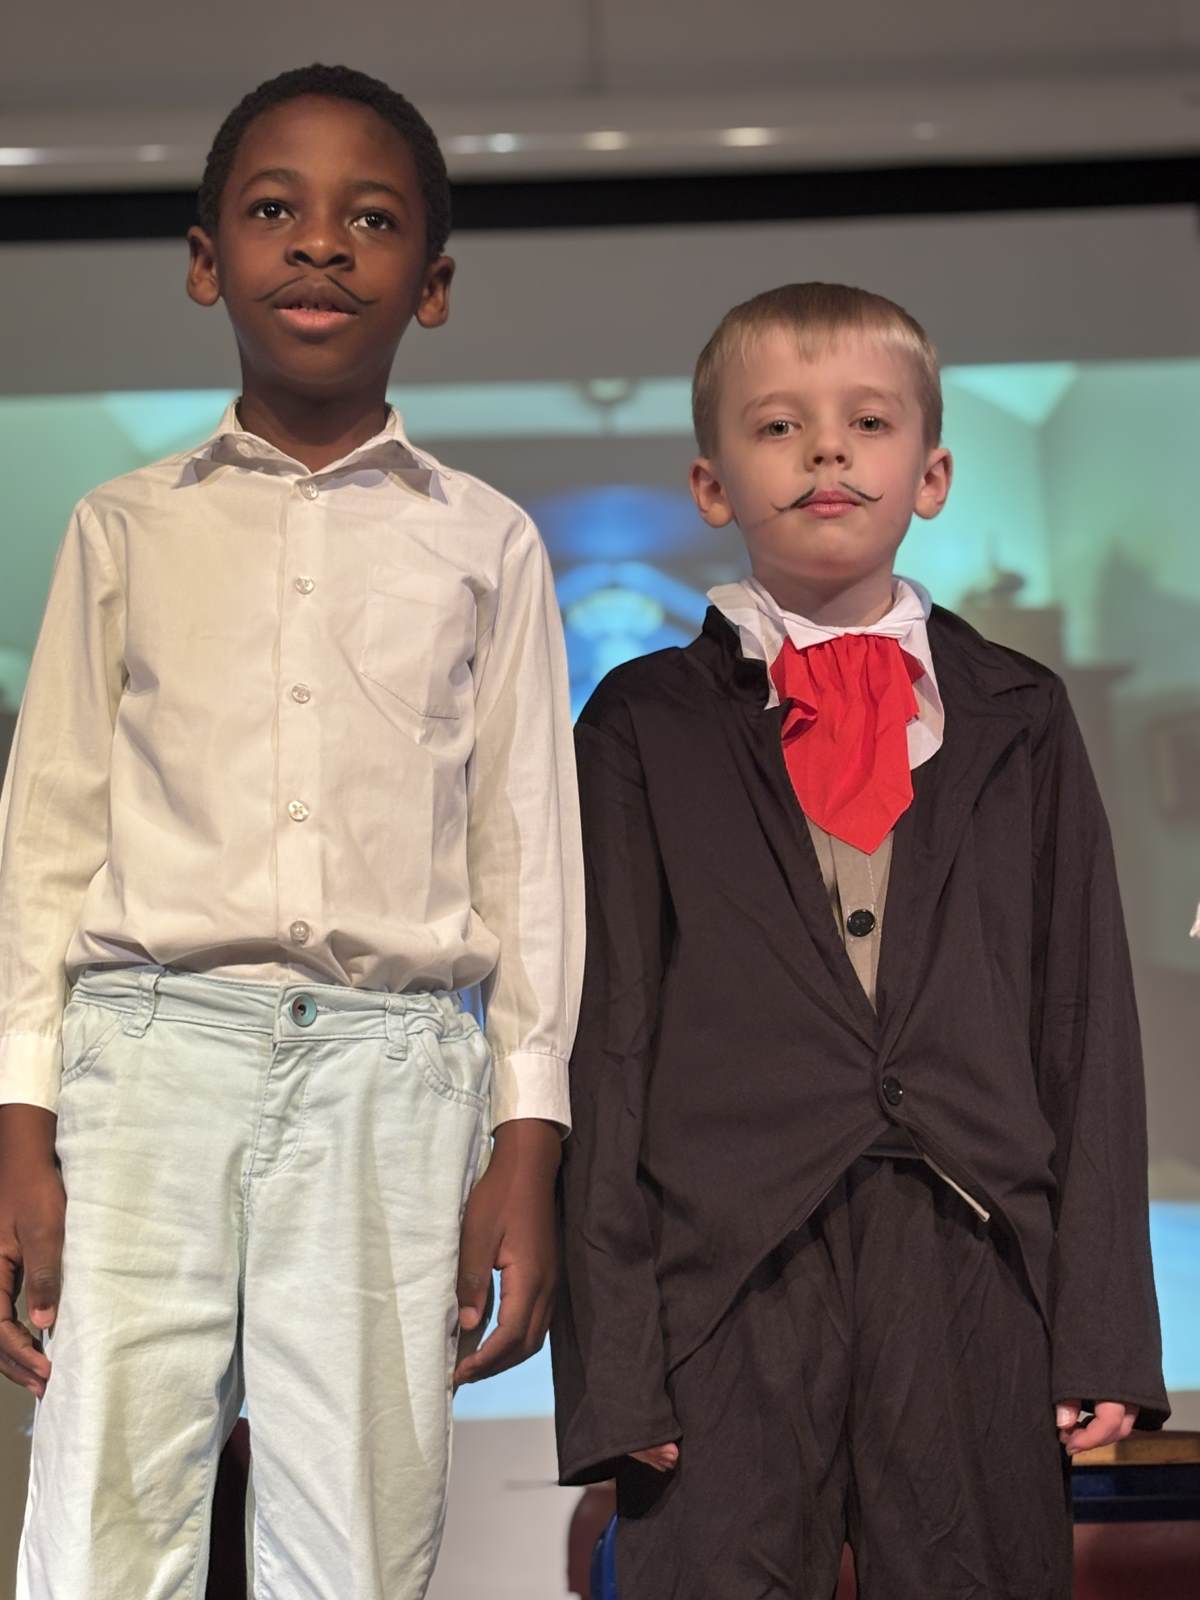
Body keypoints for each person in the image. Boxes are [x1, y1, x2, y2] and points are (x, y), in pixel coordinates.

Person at [0, 62, 582, 1600]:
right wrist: (17, 1123)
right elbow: (43, 846)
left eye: (371, 219)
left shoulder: (489, 543)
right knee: (101, 1533)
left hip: (394, 1076)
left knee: (356, 1547)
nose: (321, 243)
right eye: (275, 211)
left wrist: (528, 1137)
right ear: (208, 262)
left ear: (431, 285)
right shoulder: (126, 525)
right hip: (145, 1058)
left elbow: (528, 855)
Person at [551, 282, 1167, 1599]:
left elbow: (1086, 1025)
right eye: (779, 426)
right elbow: (607, 1046)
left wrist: (1103, 1328)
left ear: (930, 475)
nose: (826, 450)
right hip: (725, 1277)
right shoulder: (640, 726)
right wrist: (613, 1367)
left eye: (869, 423)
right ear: (712, 485)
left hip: (972, 1262)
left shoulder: (1020, 715)